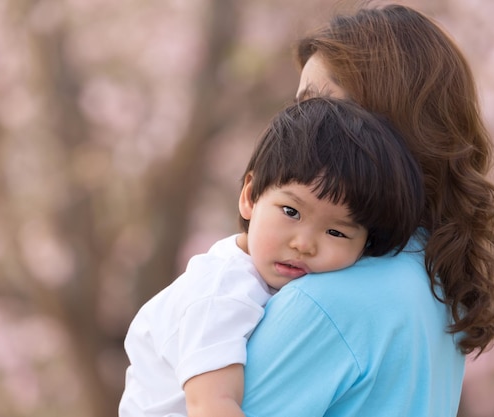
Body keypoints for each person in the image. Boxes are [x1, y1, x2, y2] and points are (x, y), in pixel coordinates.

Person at [241, 3, 494, 417]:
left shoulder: (328, 301)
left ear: (389, 123)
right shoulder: (434, 284)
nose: (302, 125)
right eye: (300, 105)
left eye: (323, 106)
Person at [119, 97, 425, 417]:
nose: (304, 244)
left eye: (337, 232)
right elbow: (211, 404)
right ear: (250, 196)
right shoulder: (221, 293)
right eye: (291, 211)